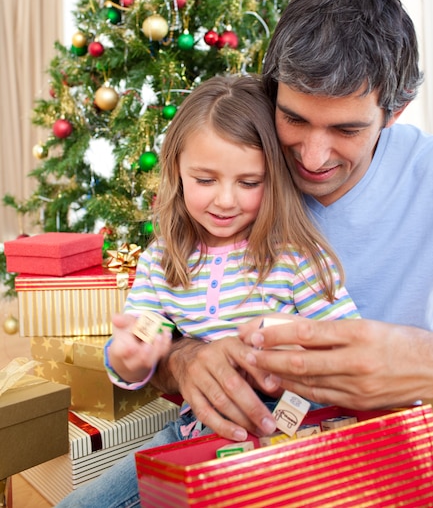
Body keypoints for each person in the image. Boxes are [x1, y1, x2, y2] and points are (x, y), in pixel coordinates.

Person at [57, 0, 433, 507]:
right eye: (294, 119)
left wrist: (421, 364)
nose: (311, 156)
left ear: (394, 112)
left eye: (346, 130)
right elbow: (151, 331)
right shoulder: (240, 158)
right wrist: (182, 357)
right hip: (213, 436)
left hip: (363, 441)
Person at [57, 74, 359, 507]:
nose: (225, 200)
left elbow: (352, 345)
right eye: (205, 180)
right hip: (192, 434)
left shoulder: (295, 258)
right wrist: (126, 357)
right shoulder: (162, 260)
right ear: (177, 170)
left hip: (290, 437)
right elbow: (141, 338)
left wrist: (297, 344)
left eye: (249, 183)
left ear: (274, 179)